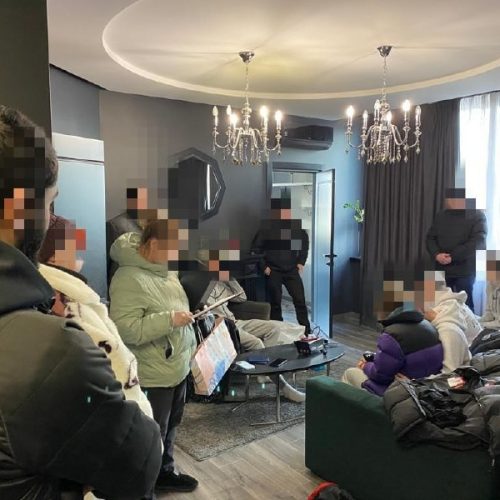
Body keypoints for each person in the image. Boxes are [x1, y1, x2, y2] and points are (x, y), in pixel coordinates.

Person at [0, 106, 161, 499]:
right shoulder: (50, 353)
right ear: (20, 209)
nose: (50, 219)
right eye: (49, 203)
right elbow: (139, 464)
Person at [109, 219, 198, 494]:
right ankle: (143, 487)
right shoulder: (127, 278)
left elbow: (176, 308)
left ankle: (164, 472)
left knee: (171, 426)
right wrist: (170, 319)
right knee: (151, 434)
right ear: (155, 243)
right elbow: (125, 329)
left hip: (177, 366)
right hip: (152, 373)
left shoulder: (167, 271)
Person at [38, 213, 154, 418]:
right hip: (116, 415)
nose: (78, 246)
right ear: (53, 256)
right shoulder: (66, 305)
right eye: (71, 242)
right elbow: (111, 367)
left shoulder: (67, 295)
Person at [342, 307, 443, 396]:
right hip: (425, 389)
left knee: (350, 373)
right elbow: (400, 358)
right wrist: (376, 358)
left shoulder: (392, 336)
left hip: (399, 393)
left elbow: (380, 376)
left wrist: (365, 366)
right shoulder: (429, 327)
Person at [252, 196, 311, 334]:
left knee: (300, 301)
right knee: (275, 303)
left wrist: (301, 262)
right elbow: (255, 249)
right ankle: (278, 331)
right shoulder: (266, 229)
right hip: (273, 271)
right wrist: (264, 267)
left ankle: (307, 331)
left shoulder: (296, 228)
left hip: (291, 270)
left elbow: (304, 245)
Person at [426, 188, 487, 311]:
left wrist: (452, 257)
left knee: (465, 308)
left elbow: (477, 242)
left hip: (464, 270)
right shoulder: (441, 215)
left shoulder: (477, 216)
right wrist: (436, 254)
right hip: (441, 268)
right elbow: (430, 238)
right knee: (439, 307)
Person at [418, 271, 482, 372]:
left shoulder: (448, 328)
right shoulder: (451, 303)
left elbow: (451, 374)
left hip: (470, 370)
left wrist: (413, 381)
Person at [480, 250, 500, 330]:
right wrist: (476, 322)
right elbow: (489, 314)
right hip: (494, 325)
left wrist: (481, 325)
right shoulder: (490, 286)